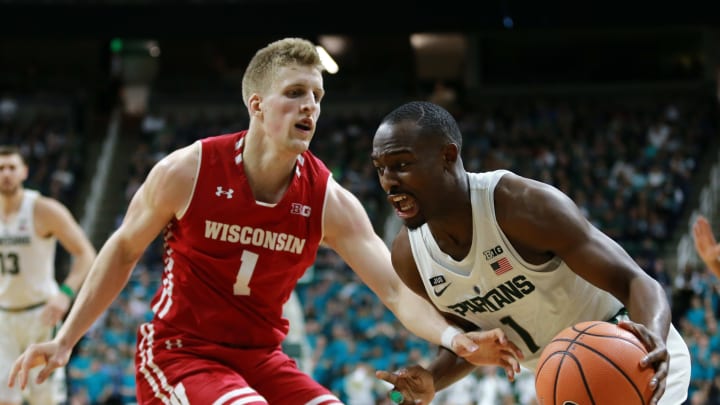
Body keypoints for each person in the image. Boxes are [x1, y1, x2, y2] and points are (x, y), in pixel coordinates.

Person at [7, 38, 495, 405]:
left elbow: (393, 289)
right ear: (257, 105)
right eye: (296, 92)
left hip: (261, 357)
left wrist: (456, 339)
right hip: (181, 352)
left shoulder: (328, 199)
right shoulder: (187, 171)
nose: (311, 106)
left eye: (318, 96)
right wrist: (66, 339)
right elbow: (122, 249)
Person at [369, 101, 691, 405]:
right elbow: (473, 338)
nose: (388, 182)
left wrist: (652, 344)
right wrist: (433, 379)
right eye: (380, 168)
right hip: (564, 376)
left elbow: (637, 281)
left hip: (631, 357)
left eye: (401, 165)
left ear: (447, 156)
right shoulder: (409, 257)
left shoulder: (520, 207)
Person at [0, 145, 97, 405]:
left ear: (24, 172)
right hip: (3, 317)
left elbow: (86, 253)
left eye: (11, 167)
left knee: (44, 400)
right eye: (0, 168)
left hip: (41, 314)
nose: (6, 173)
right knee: (5, 398)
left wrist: (66, 294)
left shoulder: (43, 209)